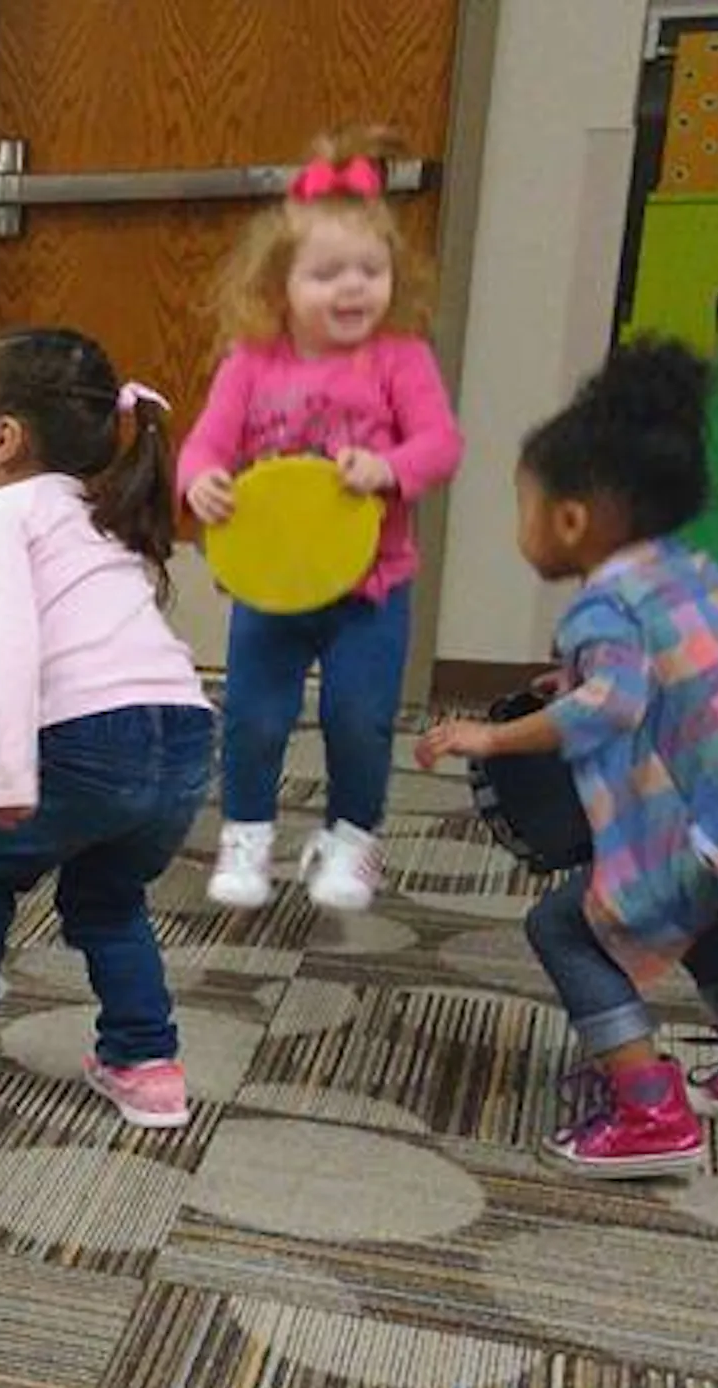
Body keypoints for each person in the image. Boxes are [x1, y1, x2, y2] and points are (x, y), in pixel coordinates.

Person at [416, 340, 718, 1178]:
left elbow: (611, 708)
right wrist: (579, 678)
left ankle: (646, 1109)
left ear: (569, 520)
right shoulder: (693, 575)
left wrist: (491, 736)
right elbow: (687, 674)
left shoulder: (605, 604)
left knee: (563, 925)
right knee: (688, 910)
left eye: (524, 506)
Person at [0, 329, 214, 1130]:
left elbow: (13, 647)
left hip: (85, 744)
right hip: (185, 736)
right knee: (109, 897)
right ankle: (146, 1063)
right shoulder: (94, 510)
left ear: (2, 439)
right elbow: (94, 661)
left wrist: (9, 773)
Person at [178, 126, 463, 915]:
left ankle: (351, 838)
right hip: (272, 583)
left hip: (371, 587)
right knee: (254, 719)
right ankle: (247, 834)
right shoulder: (252, 362)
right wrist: (199, 481)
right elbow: (204, 445)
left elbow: (441, 443)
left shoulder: (400, 356)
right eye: (327, 272)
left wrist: (390, 469)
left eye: (371, 270)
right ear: (280, 283)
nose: (353, 288)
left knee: (359, 719)